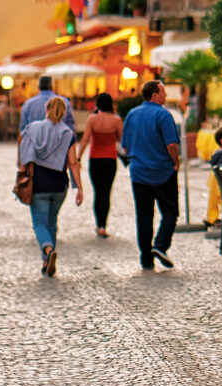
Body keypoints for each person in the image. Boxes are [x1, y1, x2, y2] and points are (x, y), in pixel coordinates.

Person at [122, 80, 184, 271]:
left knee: (144, 216)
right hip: (163, 171)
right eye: (163, 92)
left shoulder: (131, 115)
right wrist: (176, 161)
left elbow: (124, 146)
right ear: (155, 95)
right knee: (170, 212)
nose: (165, 96)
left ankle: (146, 258)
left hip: (139, 172)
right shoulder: (163, 115)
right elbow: (171, 145)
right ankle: (160, 245)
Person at [18, 95, 82, 276]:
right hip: (60, 185)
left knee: (39, 223)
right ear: (64, 113)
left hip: (38, 183)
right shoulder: (68, 134)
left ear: (46, 110)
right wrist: (79, 188)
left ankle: (47, 250)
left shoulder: (33, 129)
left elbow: (20, 141)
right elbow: (73, 163)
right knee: (52, 222)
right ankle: (47, 262)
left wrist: (21, 164)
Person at [78, 91, 122, 238]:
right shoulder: (116, 121)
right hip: (110, 159)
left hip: (95, 159)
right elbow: (122, 140)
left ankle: (99, 224)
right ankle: (104, 225)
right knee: (106, 192)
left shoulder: (92, 119)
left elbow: (85, 139)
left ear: (98, 104)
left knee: (98, 192)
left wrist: (78, 157)